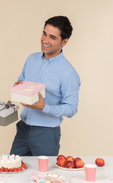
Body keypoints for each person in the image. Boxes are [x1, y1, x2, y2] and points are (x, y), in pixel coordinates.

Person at [10, 16, 81, 156]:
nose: (45, 40)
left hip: (46, 134)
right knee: (11, 170)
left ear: (64, 42)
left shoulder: (68, 73)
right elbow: (22, 80)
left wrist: (44, 107)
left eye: (52, 37)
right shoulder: (32, 59)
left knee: (43, 176)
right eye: (44, 34)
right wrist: (19, 86)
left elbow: (71, 109)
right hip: (23, 129)